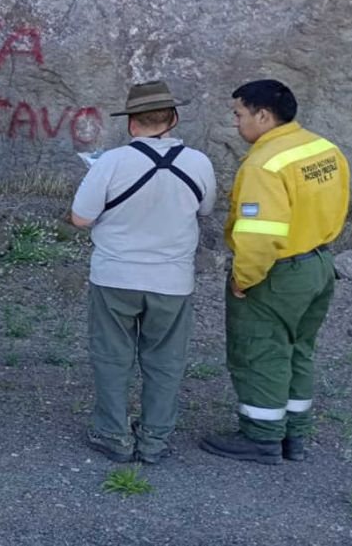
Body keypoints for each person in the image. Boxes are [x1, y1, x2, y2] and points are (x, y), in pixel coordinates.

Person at [200, 79, 350, 464]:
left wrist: (243, 278)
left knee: (261, 352)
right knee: (299, 349)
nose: (236, 123)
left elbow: (259, 236)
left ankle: (262, 437)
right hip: (319, 264)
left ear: (263, 115)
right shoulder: (323, 149)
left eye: (239, 114)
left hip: (278, 274)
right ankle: (293, 435)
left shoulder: (264, 165)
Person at [71, 80, 217, 463]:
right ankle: (155, 439)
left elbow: (80, 218)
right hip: (172, 280)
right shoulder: (199, 163)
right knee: (165, 360)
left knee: (112, 356)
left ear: (132, 123)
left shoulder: (112, 162)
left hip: (115, 276)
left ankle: (112, 434)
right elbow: (205, 210)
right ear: (174, 118)